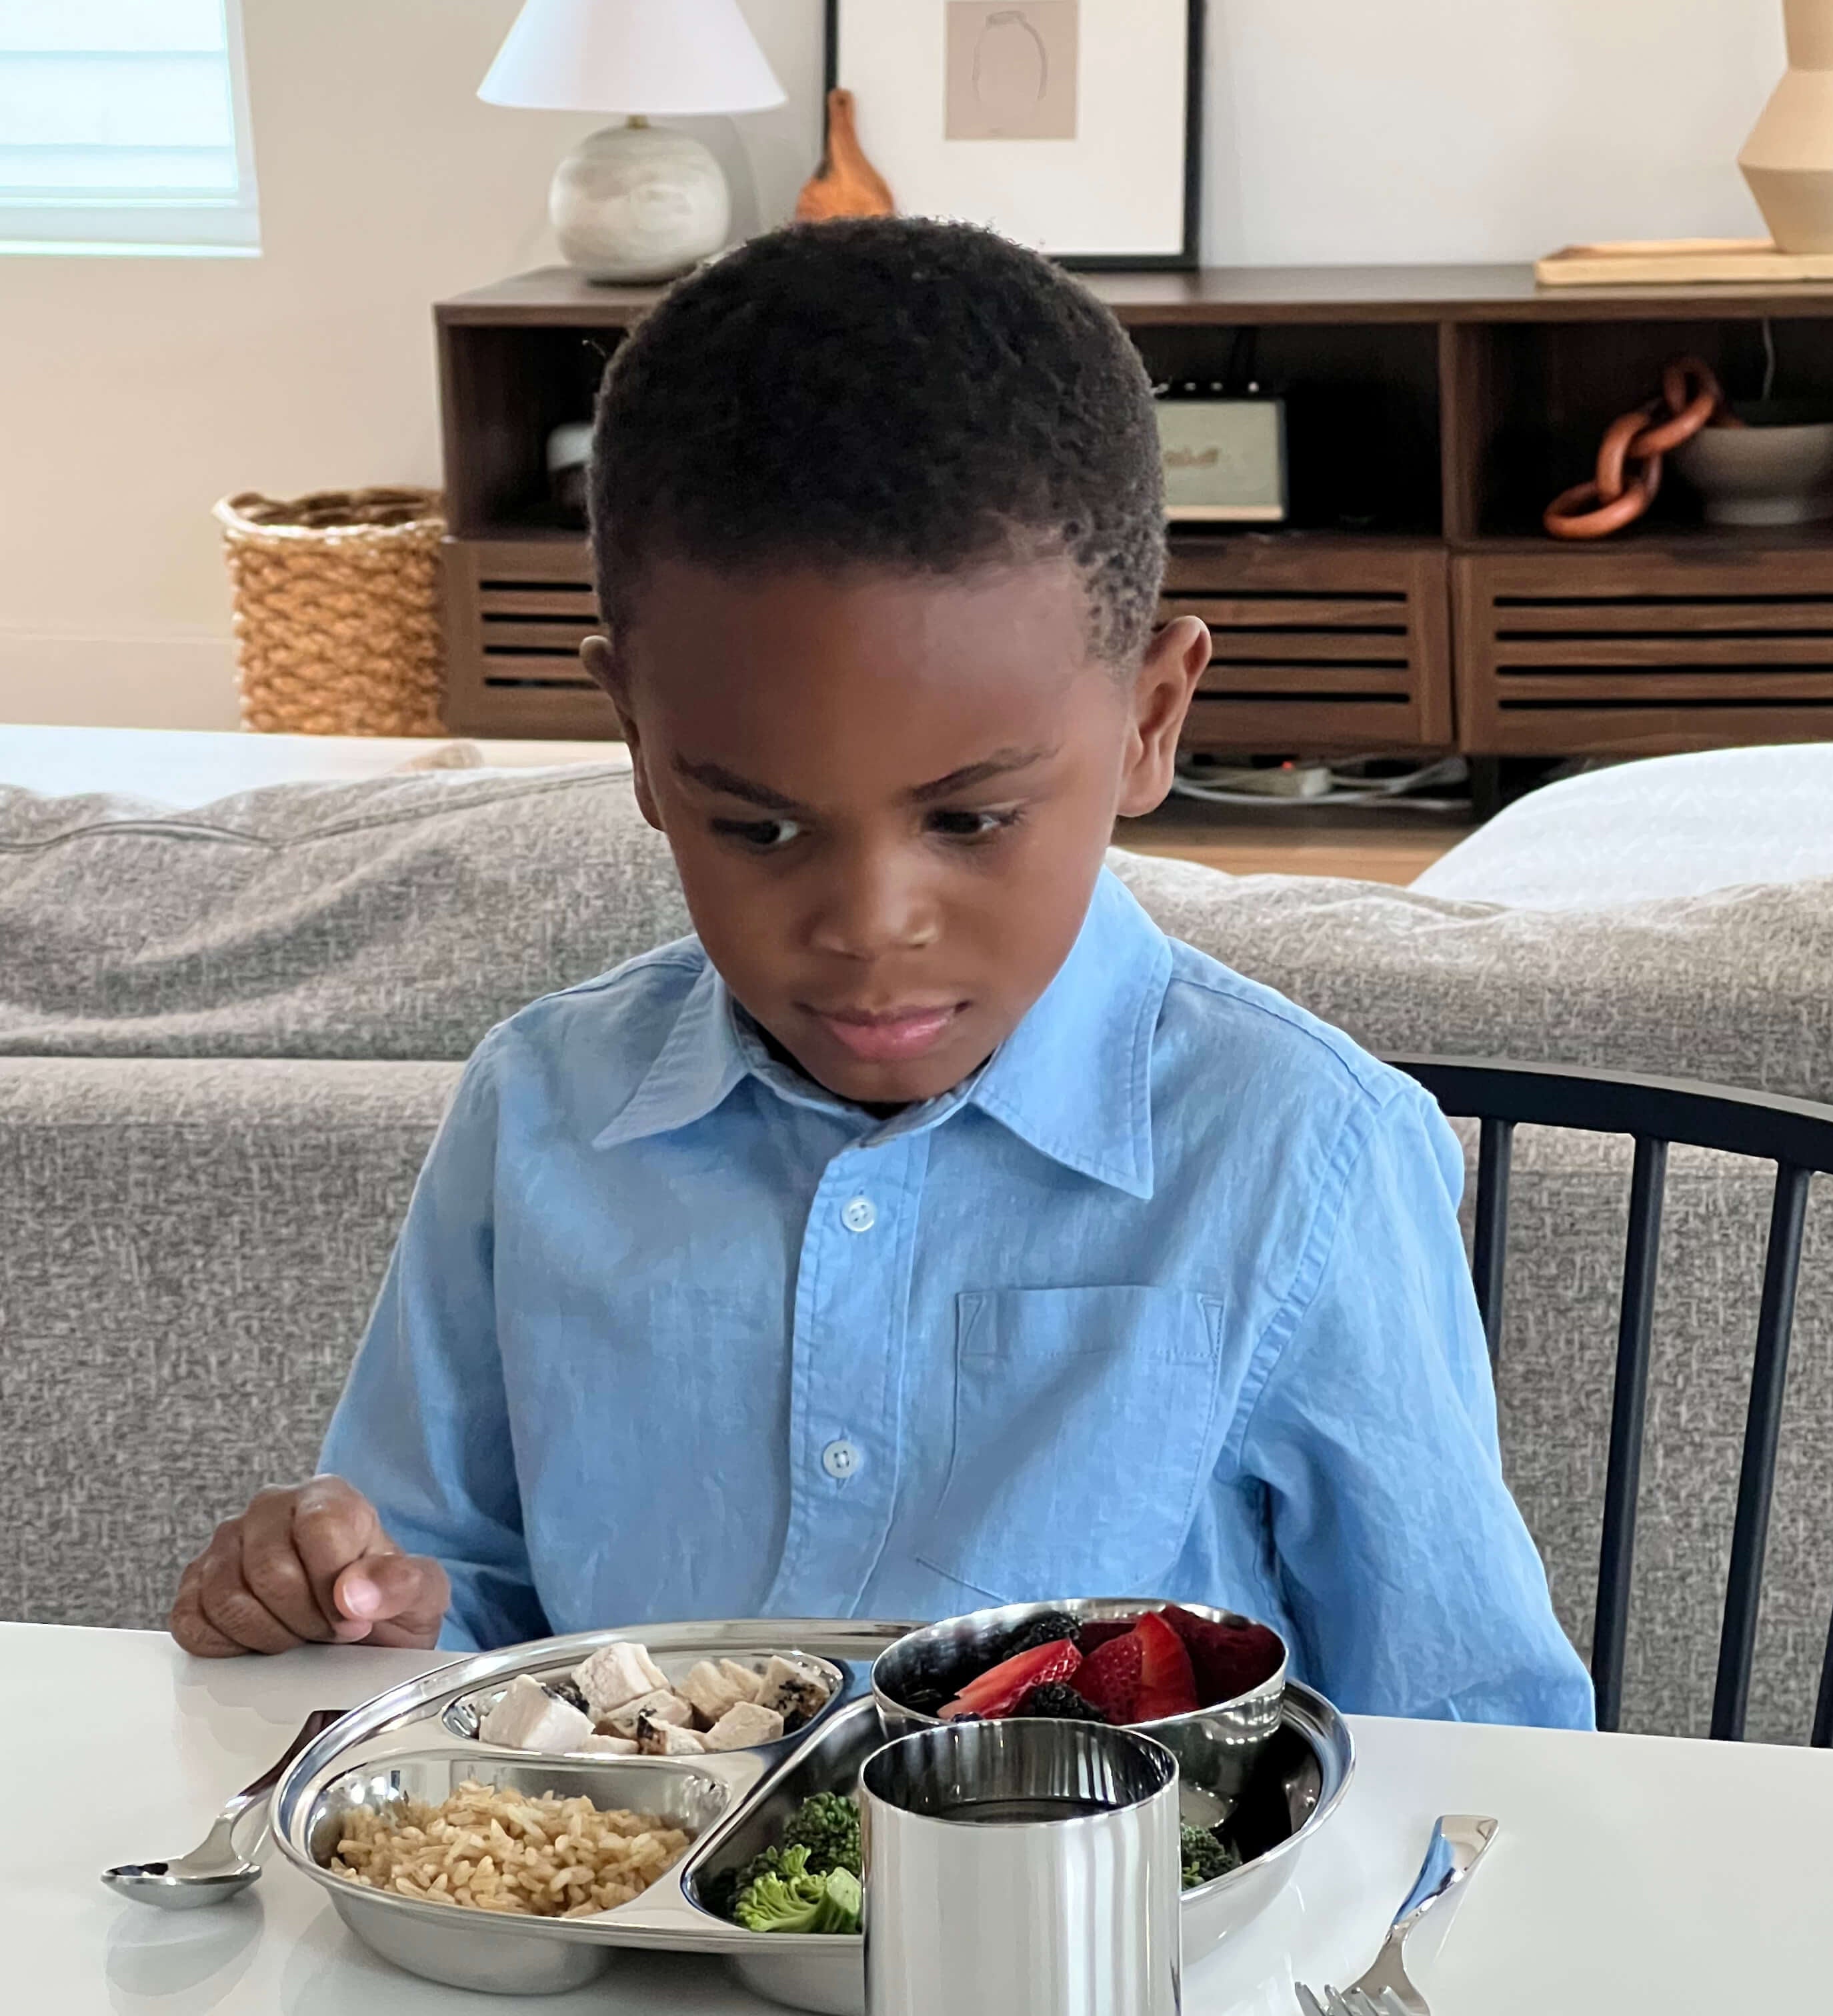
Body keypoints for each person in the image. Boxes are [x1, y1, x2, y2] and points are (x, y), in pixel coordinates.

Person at [170, 218, 1593, 1730]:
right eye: (759, 823)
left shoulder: (1303, 1153)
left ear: (1153, 719)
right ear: (639, 743)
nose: (868, 923)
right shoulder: (539, 1113)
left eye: (971, 818)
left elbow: (1474, 1739)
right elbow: (458, 1619)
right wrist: (345, 1605)